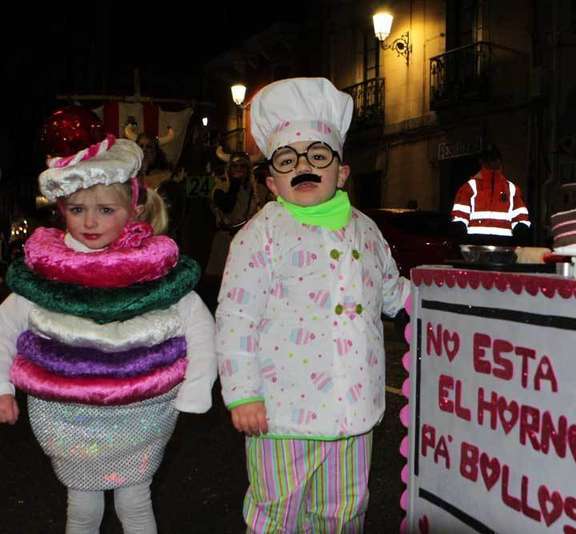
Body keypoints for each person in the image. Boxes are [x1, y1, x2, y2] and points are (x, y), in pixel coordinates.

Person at [0, 114, 216, 534]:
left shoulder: (153, 267)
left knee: (135, 502)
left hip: (142, 413)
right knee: (82, 507)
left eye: (105, 209)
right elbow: (6, 324)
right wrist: (2, 386)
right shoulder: (48, 269)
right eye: (77, 209)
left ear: (134, 208)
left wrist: (196, 387)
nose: (90, 222)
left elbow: (197, 323)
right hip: (67, 417)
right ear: (61, 209)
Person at [215, 77, 410, 533]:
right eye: (288, 160)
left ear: (341, 173)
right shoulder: (260, 236)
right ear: (272, 181)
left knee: (343, 512)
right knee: (276, 512)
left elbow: (394, 292)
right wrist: (243, 393)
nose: (303, 167)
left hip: (354, 413)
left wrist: (447, 301)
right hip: (282, 414)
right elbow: (236, 318)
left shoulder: (367, 230)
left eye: (318, 156)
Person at [205, 149, 270, 278]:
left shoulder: (260, 190)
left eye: (242, 166)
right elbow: (227, 207)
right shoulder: (219, 188)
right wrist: (234, 183)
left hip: (250, 242)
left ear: (248, 169)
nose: (238, 169)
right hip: (225, 242)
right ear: (229, 169)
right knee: (220, 280)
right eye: (234, 166)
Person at [450, 144, 532, 245]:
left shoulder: (511, 189)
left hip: (502, 246)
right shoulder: (470, 187)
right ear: (481, 161)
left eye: (494, 159)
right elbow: (459, 217)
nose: (492, 162)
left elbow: (520, 218)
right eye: (489, 159)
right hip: (476, 245)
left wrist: (520, 231)